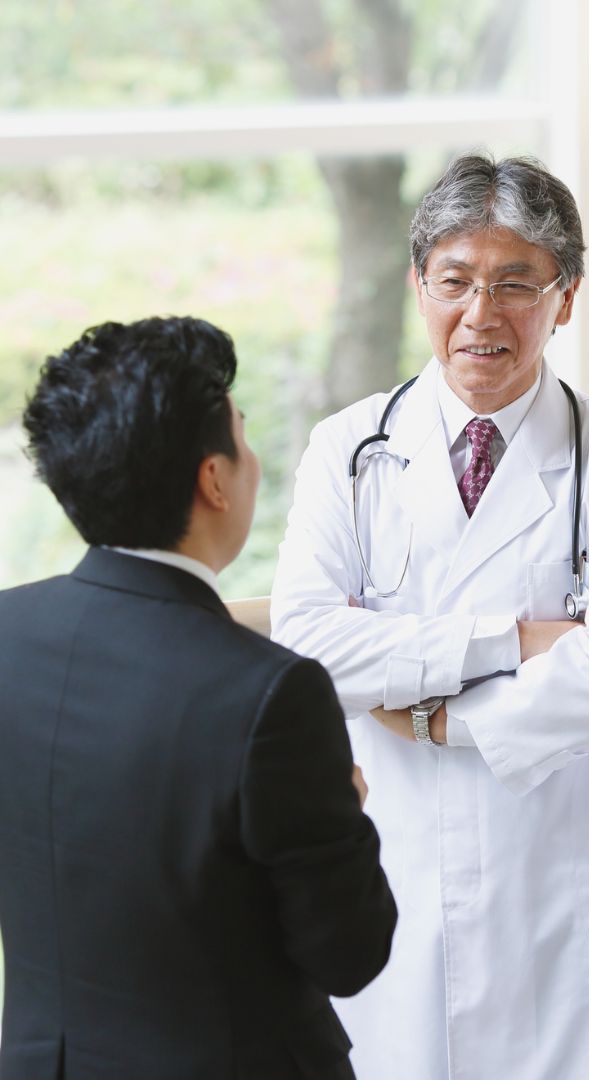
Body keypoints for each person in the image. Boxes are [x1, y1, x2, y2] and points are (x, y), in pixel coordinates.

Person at [271, 153, 589, 1080]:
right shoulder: (348, 450)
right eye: (455, 281)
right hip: (405, 870)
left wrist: (436, 715)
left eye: (516, 283)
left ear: (567, 297)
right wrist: (514, 641)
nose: (482, 314)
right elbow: (308, 645)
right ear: (417, 287)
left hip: (578, 881)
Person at [0, 317, 397, 1079]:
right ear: (213, 480)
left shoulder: (8, 636)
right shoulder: (271, 693)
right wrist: (343, 812)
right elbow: (351, 954)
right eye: (243, 441)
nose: (252, 461)